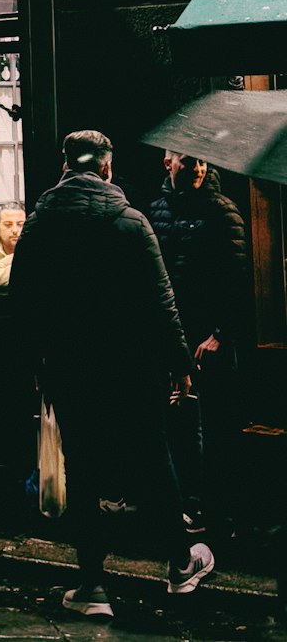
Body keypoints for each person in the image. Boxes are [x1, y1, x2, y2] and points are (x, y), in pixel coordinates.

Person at [10, 130, 213, 619]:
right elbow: (161, 303)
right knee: (153, 457)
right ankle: (180, 563)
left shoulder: (40, 227)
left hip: (71, 370)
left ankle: (93, 586)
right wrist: (180, 364)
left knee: (83, 470)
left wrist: (34, 367)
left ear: (64, 167)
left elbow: (22, 306)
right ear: (105, 167)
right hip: (134, 368)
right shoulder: (132, 223)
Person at [149, 152, 248, 529]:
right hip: (174, 334)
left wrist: (221, 334)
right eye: (189, 161)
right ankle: (183, 501)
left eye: (203, 162)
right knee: (176, 420)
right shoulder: (157, 209)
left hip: (209, 338)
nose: (198, 168)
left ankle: (211, 505)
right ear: (168, 162)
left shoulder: (223, 211)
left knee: (212, 423)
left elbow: (237, 280)